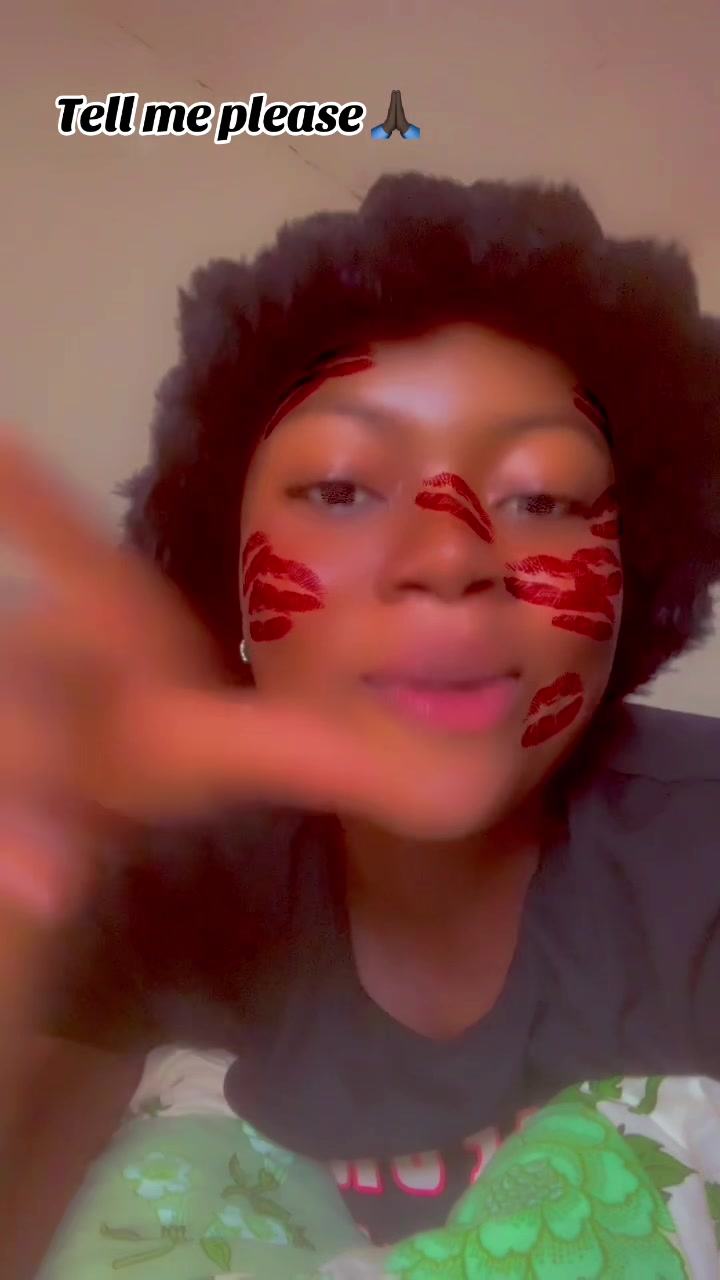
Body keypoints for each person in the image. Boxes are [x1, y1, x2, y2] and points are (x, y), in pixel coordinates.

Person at [2, 170, 720, 1272]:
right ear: (228, 576)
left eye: (543, 494)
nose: (451, 555)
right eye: (340, 488)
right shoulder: (154, 881)